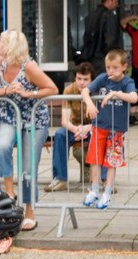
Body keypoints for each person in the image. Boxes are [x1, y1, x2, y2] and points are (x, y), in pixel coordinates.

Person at [0, 29, 57, 231]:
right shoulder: (0, 63)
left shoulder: (29, 66)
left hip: (34, 120)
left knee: (27, 167)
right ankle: (9, 190)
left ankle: (29, 212)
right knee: (3, 145)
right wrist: (6, 90)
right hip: (10, 116)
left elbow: (52, 88)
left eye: (1, 42)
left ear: (11, 46)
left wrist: (28, 93)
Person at [81, 49, 138, 210]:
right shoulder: (102, 78)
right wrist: (90, 103)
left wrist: (116, 93)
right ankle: (94, 190)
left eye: (115, 67)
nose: (111, 71)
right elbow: (85, 91)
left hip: (116, 129)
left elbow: (134, 97)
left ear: (124, 67)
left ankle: (107, 192)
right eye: (108, 67)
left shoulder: (127, 82)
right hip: (99, 125)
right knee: (95, 159)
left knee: (111, 161)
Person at [46, 62, 107, 192]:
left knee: (100, 135)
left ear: (92, 80)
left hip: (93, 126)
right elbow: (64, 121)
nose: (81, 82)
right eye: (79, 78)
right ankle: (60, 178)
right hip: (73, 127)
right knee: (60, 134)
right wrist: (77, 130)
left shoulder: (98, 91)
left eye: (86, 79)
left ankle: (104, 178)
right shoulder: (69, 90)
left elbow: (103, 120)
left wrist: (88, 128)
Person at [83, 0, 123, 75]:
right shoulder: (109, 16)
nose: (117, 5)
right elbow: (110, 41)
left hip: (90, 59)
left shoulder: (91, 15)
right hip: (104, 59)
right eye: (116, 2)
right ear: (110, 1)